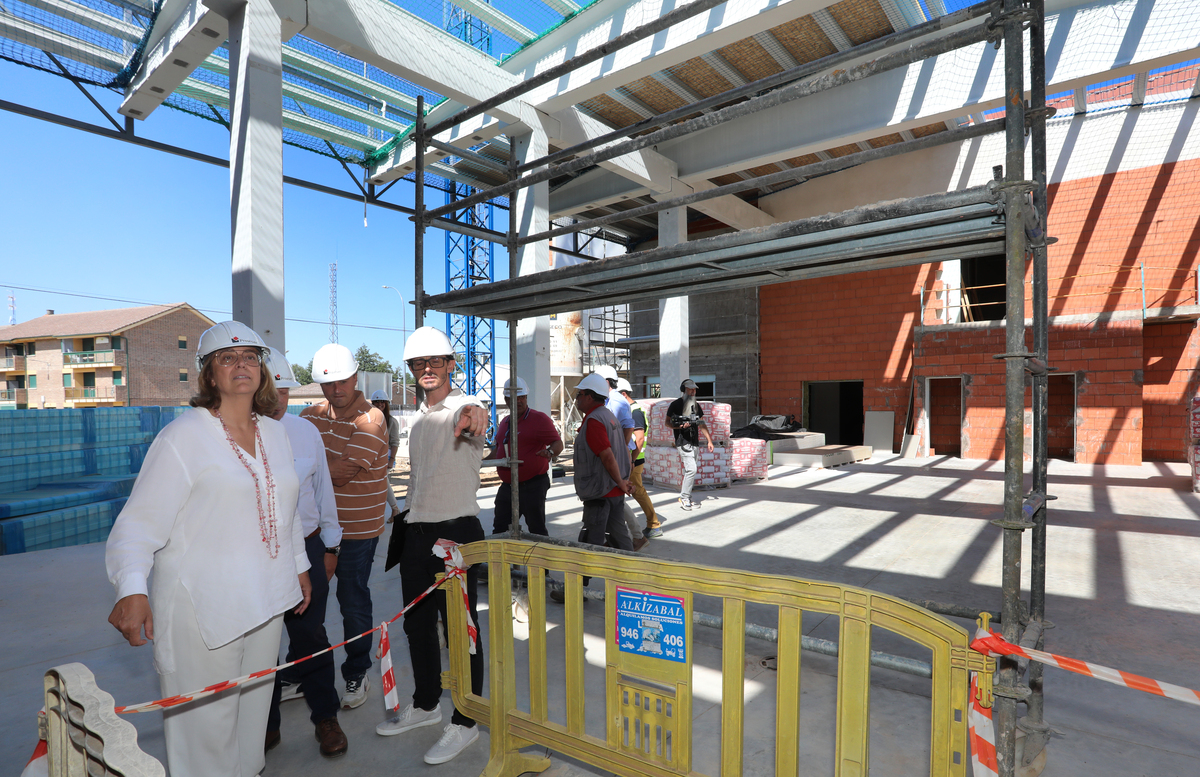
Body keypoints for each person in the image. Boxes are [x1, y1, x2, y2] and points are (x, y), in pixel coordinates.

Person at [106, 321, 310, 777]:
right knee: (205, 738)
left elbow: (287, 508)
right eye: (227, 358)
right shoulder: (184, 437)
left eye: (251, 358)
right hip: (203, 609)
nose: (242, 365)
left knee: (252, 724)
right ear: (209, 375)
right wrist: (131, 587)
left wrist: (298, 565)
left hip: (266, 601)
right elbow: (137, 523)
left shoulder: (275, 433)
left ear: (263, 370)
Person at [375, 326, 490, 765]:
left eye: (435, 362)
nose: (426, 369)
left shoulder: (461, 407)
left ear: (450, 365)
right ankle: (426, 705)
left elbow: (473, 412)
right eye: (418, 364)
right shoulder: (418, 419)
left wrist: (475, 411)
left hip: (455, 534)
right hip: (417, 533)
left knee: (462, 632)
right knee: (417, 627)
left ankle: (466, 721)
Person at [263, 348, 348, 758]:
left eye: (285, 391)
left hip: (311, 547)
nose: (278, 399)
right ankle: (264, 725)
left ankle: (326, 717)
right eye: (271, 389)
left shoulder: (305, 431)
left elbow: (323, 493)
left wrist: (331, 545)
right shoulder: (235, 435)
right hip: (261, 555)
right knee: (261, 644)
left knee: (311, 635)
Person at [301, 343, 390, 709]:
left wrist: (311, 464)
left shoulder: (371, 419)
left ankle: (356, 672)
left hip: (356, 531)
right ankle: (304, 672)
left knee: (352, 600)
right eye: (328, 383)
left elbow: (338, 474)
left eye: (342, 381)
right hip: (317, 530)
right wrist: (316, 465)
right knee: (306, 603)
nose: (335, 389)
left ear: (356, 377)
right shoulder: (309, 415)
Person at [488, 376, 564, 536]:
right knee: (500, 529)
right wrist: (478, 462)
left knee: (536, 530)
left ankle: (541, 561)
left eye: (522, 397)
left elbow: (558, 443)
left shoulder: (539, 419)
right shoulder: (504, 422)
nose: (520, 401)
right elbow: (498, 449)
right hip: (508, 486)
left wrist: (550, 452)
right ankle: (502, 561)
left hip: (533, 486)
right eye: (515, 397)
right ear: (506, 400)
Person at [573, 372, 635, 550]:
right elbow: (620, 450)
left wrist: (620, 482)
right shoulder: (608, 415)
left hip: (601, 492)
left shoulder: (595, 420)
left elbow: (607, 456)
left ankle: (584, 577)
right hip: (613, 490)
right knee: (619, 537)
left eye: (580, 394)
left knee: (591, 542)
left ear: (590, 397)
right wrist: (622, 481)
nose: (577, 398)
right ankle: (631, 573)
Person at [595, 365, 646, 550]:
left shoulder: (614, 401)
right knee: (614, 499)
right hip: (617, 456)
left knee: (615, 499)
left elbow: (625, 429)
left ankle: (636, 537)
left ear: (606, 382)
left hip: (616, 457)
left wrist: (618, 452)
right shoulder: (612, 399)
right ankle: (621, 536)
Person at [617, 378, 662, 539]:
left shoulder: (634, 411)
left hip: (634, 460)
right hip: (631, 459)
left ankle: (654, 524)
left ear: (623, 394)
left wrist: (632, 460)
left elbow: (640, 438)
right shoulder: (630, 410)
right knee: (635, 491)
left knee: (638, 492)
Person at [666, 378, 714, 510]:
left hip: (695, 442)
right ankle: (684, 497)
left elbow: (701, 423)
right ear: (683, 390)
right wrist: (680, 427)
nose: (693, 392)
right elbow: (667, 422)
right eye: (690, 389)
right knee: (691, 469)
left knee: (691, 471)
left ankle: (687, 496)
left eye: (694, 389)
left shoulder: (696, 405)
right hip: (683, 442)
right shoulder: (675, 405)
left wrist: (709, 440)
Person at [371, 389, 403, 521]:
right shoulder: (369, 420)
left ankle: (395, 509)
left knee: (383, 483)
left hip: (386, 457)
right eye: (377, 402)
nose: (379, 405)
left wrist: (392, 460)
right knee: (378, 484)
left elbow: (395, 442)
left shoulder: (392, 421)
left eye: (382, 402)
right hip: (372, 457)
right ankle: (393, 510)